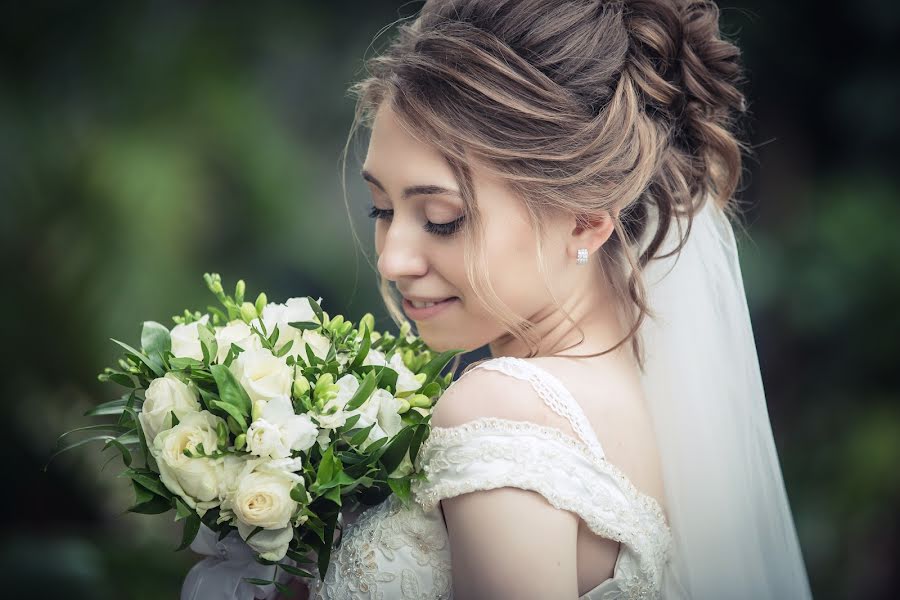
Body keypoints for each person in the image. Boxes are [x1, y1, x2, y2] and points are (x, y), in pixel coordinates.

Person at [189, 0, 815, 598]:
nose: (391, 259)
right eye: (381, 208)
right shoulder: (655, 399)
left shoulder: (503, 406)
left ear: (585, 219)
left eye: (442, 218)